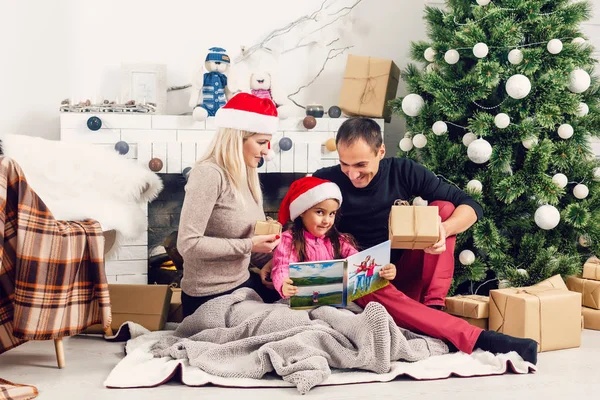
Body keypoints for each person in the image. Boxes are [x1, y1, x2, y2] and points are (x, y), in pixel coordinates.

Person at [271, 176, 538, 364]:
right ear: (302, 212)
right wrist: (284, 284)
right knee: (386, 296)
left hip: (350, 293)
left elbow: (361, 263)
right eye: (319, 212)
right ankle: (481, 338)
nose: (326, 220)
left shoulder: (339, 240)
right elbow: (281, 267)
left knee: (384, 289)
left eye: (331, 214)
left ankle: (478, 337)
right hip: (312, 297)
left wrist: (384, 271)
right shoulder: (288, 240)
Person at [312, 117, 482, 309]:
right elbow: (294, 226)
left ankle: (434, 306)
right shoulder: (324, 179)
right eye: (344, 164)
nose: (352, 174)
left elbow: (471, 205)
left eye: (360, 165)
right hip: (351, 277)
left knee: (445, 208)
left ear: (381, 152)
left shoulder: (403, 171)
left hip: (400, 274)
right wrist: (274, 263)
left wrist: (443, 229)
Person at [177, 93, 282, 318]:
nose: (267, 150)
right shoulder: (208, 174)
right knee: (286, 325)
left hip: (243, 285)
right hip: (209, 296)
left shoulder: (248, 175)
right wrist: (249, 246)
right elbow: (187, 244)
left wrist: (271, 262)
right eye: (262, 142)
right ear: (237, 138)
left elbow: (251, 244)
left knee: (305, 308)